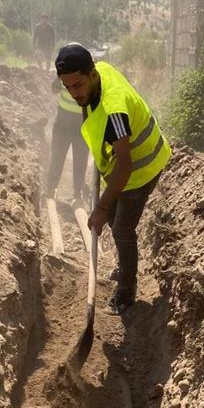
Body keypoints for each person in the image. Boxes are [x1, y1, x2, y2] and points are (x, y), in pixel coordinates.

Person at [55, 42, 171, 314]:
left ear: (92, 74)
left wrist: (101, 207)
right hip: (124, 166)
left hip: (142, 167)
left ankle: (126, 293)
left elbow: (126, 165)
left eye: (78, 85)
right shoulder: (98, 74)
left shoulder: (113, 111)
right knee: (113, 216)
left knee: (121, 228)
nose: (74, 93)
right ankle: (124, 268)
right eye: (67, 87)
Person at [46, 77, 89, 204]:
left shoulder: (91, 74)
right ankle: (51, 189)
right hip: (63, 123)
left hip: (83, 124)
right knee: (57, 157)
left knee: (80, 159)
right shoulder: (65, 70)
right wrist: (57, 81)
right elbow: (54, 89)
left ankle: (77, 193)